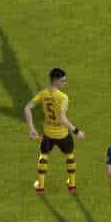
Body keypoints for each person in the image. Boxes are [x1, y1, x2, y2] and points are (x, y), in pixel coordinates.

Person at [25, 67, 85, 195]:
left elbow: (27, 108)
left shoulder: (43, 94)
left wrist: (31, 128)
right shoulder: (63, 97)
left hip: (48, 134)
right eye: (63, 81)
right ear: (56, 81)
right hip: (63, 134)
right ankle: (72, 184)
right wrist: (76, 131)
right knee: (69, 155)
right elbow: (63, 119)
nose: (65, 83)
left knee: (44, 156)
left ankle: (40, 186)